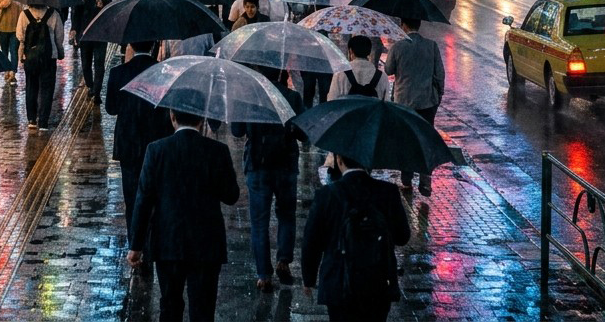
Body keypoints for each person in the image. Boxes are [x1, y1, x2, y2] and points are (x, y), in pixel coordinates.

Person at [127, 110, 240, 322]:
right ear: (201, 119)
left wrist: (136, 246)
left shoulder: (156, 150)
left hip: (168, 242)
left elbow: (144, 200)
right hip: (207, 245)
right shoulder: (217, 151)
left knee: (170, 307)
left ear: (172, 117)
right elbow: (231, 196)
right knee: (203, 310)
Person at [300, 153, 412, 322]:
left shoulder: (326, 195)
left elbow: (312, 241)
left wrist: (308, 278)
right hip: (378, 282)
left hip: (338, 283)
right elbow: (402, 237)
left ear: (339, 160)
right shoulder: (388, 192)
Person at [231, 67, 305, 293]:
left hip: (258, 165)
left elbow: (236, 130)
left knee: (259, 222)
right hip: (286, 165)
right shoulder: (292, 97)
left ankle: (264, 275)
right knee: (287, 215)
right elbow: (303, 133)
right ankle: (284, 260)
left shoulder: (249, 98)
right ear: (281, 72)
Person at [105, 41, 173, 253]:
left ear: (131, 46)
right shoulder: (163, 72)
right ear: (153, 45)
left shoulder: (118, 73)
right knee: (155, 196)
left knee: (132, 198)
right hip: (156, 142)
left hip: (128, 144)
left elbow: (111, 108)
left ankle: (135, 246)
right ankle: (152, 244)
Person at [383, 18, 445, 196]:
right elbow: (439, 74)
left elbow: (388, 70)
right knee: (425, 140)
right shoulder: (431, 46)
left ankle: (407, 180)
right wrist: (439, 94)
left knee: (406, 140)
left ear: (403, 26)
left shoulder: (398, 47)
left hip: (404, 102)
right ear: (419, 25)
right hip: (427, 102)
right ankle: (425, 181)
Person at [17, 1, 65, 129]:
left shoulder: (24, 14)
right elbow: (59, 37)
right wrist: (60, 53)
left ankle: (32, 119)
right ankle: (43, 121)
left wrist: (21, 56)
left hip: (30, 57)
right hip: (49, 57)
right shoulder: (54, 14)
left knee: (31, 87)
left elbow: (20, 38)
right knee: (47, 88)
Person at [70, 0, 113, 102]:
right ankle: (90, 86)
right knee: (86, 64)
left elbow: (110, 15)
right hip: (85, 37)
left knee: (99, 64)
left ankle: (97, 92)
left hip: (100, 36)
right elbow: (76, 16)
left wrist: (101, 8)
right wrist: (74, 30)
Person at [329, 35, 390, 101]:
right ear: (369, 52)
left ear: (350, 51)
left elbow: (332, 100)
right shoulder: (382, 76)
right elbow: (386, 102)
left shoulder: (340, 74)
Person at [0, 0, 22, 83]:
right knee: (7, 51)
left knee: (12, 51)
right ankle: (8, 70)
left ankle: (11, 71)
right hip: (4, 29)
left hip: (13, 29)